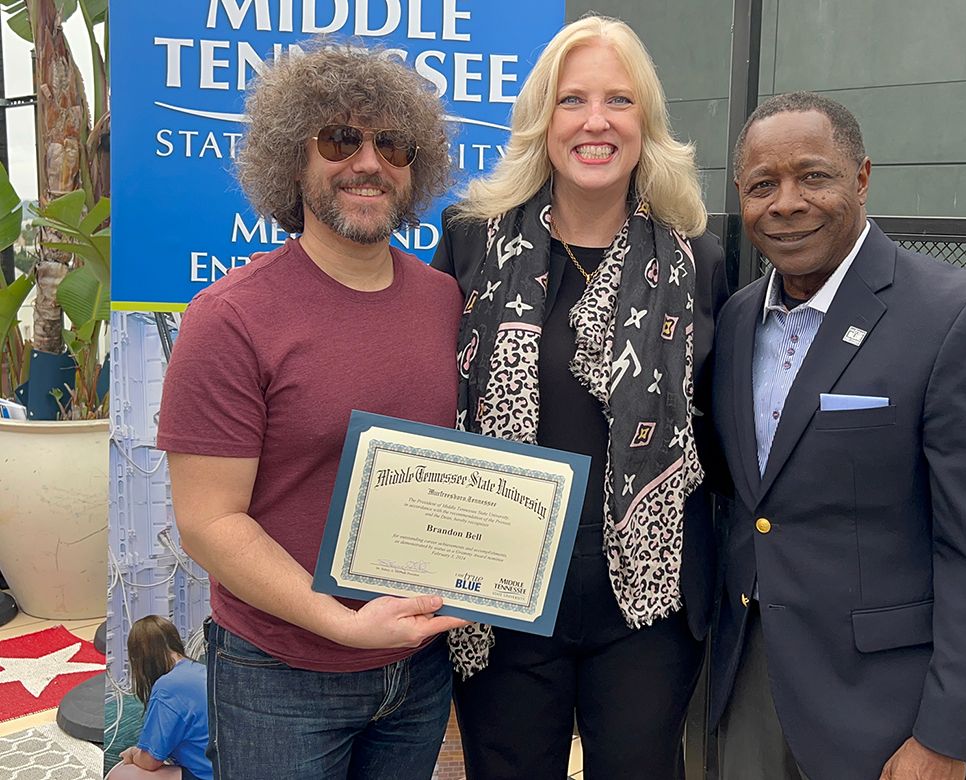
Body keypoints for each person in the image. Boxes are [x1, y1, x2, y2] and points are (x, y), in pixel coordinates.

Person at [709, 91, 966, 780]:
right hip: (745, 684)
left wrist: (949, 737)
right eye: (761, 185)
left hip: (887, 716)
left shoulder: (958, 319)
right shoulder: (738, 320)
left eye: (814, 176)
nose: (787, 202)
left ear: (861, 178)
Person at [156, 45, 468, 780]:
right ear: (292, 162)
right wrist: (344, 624)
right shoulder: (230, 318)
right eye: (339, 139)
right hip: (278, 674)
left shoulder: (445, 302)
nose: (369, 162)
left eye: (391, 144)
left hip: (417, 672)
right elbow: (208, 520)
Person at [431, 15, 729, 780]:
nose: (596, 122)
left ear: (646, 123)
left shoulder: (699, 256)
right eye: (572, 101)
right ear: (541, 120)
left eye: (619, 101)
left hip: (648, 602)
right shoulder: (470, 239)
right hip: (501, 588)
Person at [108, 616, 211, 780]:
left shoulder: (167, 688)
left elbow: (150, 761)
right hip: (231, 767)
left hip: (208, 774)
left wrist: (134, 753)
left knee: (121, 775)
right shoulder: (201, 669)